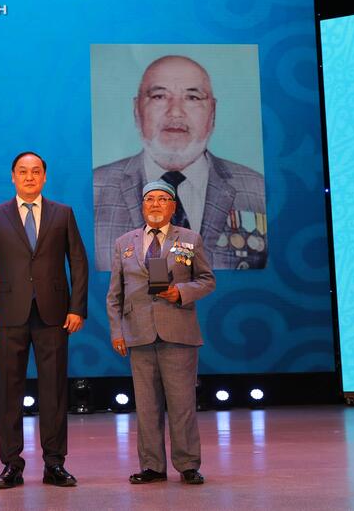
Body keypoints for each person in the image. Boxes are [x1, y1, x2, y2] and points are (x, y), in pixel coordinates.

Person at [0, 151, 89, 489]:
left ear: (44, 177)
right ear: (13, 176)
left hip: (54, 314)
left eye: (35, 171)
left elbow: (78, 262)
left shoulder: (63, 213)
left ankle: (55, 463)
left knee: (54, 391)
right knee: (9, 391)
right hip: (8, 314)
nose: (29, 177)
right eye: (23, 171)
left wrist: (77, 307)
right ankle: (12, 464)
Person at [94, 55, 267, 271]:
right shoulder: (95, 189)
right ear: (137, 109)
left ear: (212, 112)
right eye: (159, 96)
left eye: (192, 98)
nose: (175, 112)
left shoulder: (257, 189)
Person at [106, 179, 215, 485]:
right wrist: (117, 331)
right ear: (142, 206)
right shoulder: (124, 243)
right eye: (149, 199)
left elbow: (207, 280)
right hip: (138, 333)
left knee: (182, 404)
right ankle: (152, 466)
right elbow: (114, 294)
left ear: (173, 206)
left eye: (162, 199)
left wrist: (181, 292)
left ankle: (188, 465)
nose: (155, 204)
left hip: (178, 333)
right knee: (146, 406)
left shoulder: (190, 239)